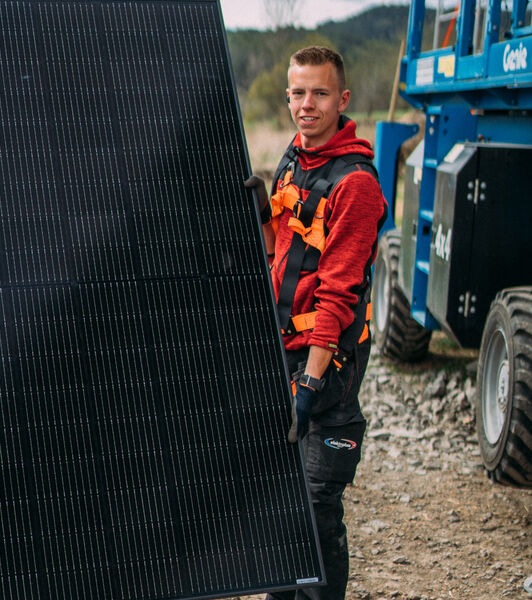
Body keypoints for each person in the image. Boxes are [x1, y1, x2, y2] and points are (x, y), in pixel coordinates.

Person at [246, 47, 387, 600]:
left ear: (342, 99)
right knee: (278, 501)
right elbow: (281, 253)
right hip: (284, 347)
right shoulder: (294, 158)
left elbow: (338, 291)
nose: (308, 104)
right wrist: (263, 213)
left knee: (316, 501)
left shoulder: (356, 183)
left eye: (320, 93)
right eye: (299, 93)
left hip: (328, 361)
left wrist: (310, 381)